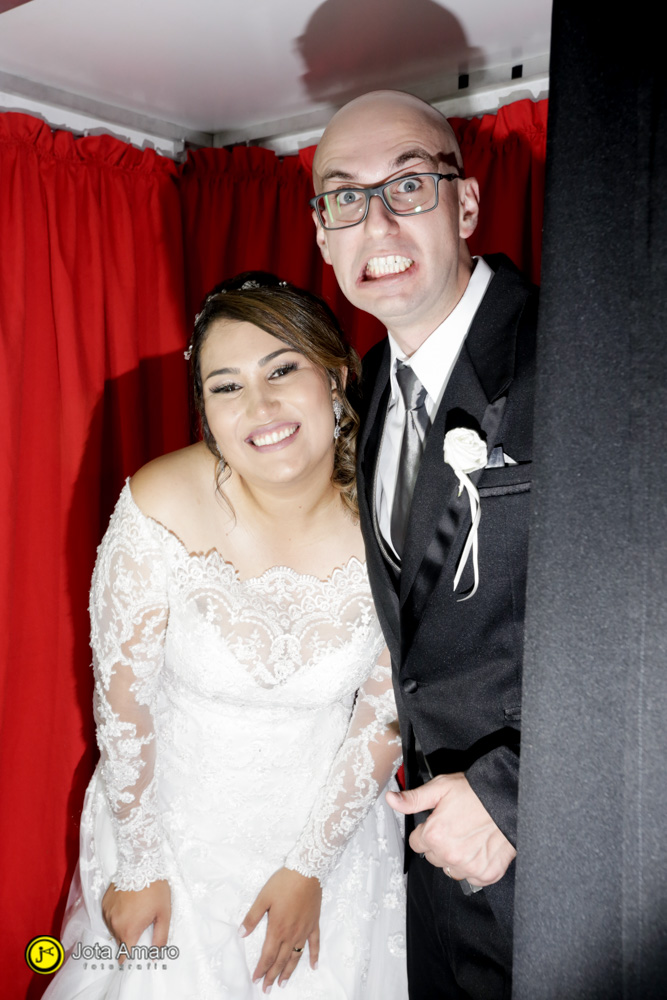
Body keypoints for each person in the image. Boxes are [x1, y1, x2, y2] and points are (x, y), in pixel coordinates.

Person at [44, 273, 407, 1000]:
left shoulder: (394, 511)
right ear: (206, 411)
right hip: (168, 840)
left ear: (336, 376)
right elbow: (124, 703)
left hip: (330, 838)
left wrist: (310, 868)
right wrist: (139, 866)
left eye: (282, 370)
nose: (259, 407)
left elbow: (387, 710)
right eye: (227, 386)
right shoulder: (159, 501)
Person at [310, 91, 538, 998]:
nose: (377, 224)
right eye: (345, 197)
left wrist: (514, 793)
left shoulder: (584, 351)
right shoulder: (363, 392)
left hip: (571, 861)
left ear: (466, 204)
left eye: (408, 185)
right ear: (322, 234)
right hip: (430, 884)